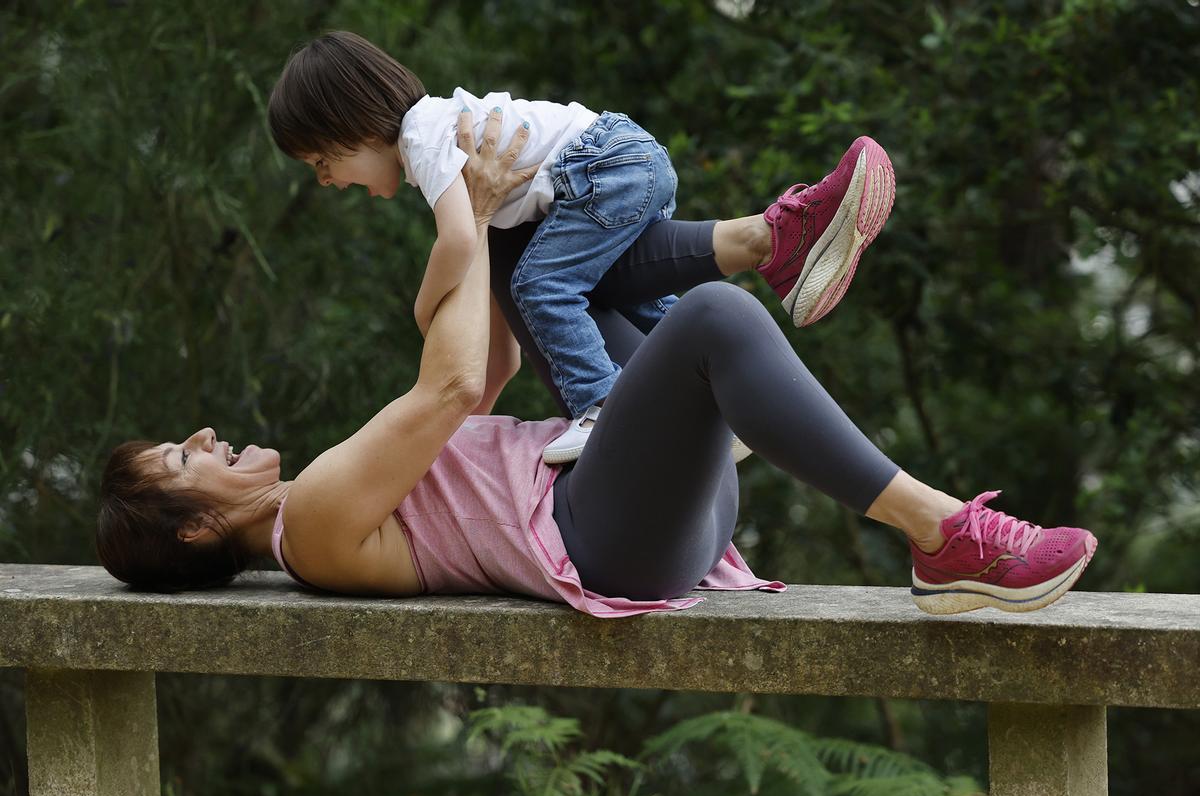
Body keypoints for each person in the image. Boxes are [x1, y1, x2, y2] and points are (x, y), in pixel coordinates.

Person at [97, 111, 1097, 617]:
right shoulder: (310, 520)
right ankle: (946, 536)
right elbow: (445, 386)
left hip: (636, 504)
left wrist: (491, 229)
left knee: (541, 251)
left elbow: (478, 386)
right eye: (182, 460)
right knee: (708, 320)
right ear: (200, 524)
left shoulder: (322, 500)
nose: (202, 437)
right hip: (611, 535)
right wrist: (467, 215)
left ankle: (771, 235)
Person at [265, 30, 895, 463]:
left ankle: (601, 407)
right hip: (624, 159)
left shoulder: (422, 137)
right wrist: (450, 432)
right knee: (634, 301)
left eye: (322, 160)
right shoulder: (438, 131)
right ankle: (751, 333)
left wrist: (424, 308)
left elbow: (460, 239)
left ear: (351, 122)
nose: (325, 181)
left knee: (541, 286)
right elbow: (500, 353)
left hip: (603, 168)